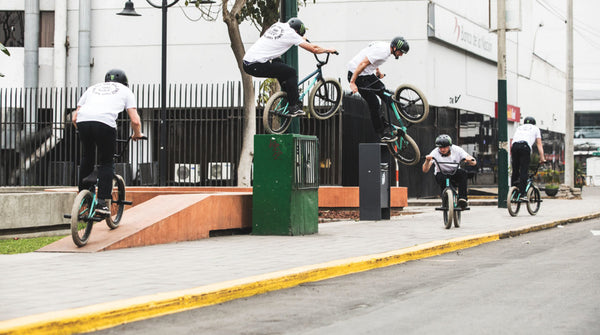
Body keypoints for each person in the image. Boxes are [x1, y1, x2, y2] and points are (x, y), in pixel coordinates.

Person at [72, 69, 144, 215]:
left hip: (83, 122)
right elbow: (135, 120)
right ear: (125, 82)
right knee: (106, 161)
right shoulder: (125, 90)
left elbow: (74, 117)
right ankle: (102, 203)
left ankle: (84, 193)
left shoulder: (93, 88)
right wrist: (137, 134)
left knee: (87, 156)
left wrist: (84, 130)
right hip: (104, 123)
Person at [243, 18, 337, 116]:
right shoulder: (292, 34)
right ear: (297, 31)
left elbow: (285, 36)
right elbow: (314, 49)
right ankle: (293, 107)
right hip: (256, 65)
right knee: (291, 72)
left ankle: (287, 90)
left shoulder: (278, 25)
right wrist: (328, 50)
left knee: (278, 62)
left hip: (247, 62)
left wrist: (300, 39)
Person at [347, 36, 410, 142]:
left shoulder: (385, 48)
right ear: (395, 48)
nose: (401, 55)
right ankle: (381, 132)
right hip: (357, 76)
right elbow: (363, 63)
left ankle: (403, 113)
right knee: (374, 103)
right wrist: (352, 82)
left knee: (384, 92)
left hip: (367, 74)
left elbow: (372, 58)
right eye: (401, 52)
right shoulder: (383, 52)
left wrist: (378, 71)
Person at [422, 134, 477, 209]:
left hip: (455, 172)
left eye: (444, 147)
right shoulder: (435, 152)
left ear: (450, 146)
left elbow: (473, 162)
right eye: (440, 147)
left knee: (463, 173)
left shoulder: (457, 150)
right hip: (442, 173)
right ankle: (446, 199)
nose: (442, 150)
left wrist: (469, 160)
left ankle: (462, 199)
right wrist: (427, 161)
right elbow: (425, 170)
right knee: (441, 178)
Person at [511, 116, 546, 200]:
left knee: (515, 169)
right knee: (524, 169)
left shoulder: (519, 128)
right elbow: (539, 144)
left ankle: (513, 191)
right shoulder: (535, 128)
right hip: (524, 147)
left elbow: (513, 140)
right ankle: (523, 194)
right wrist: (542, 158)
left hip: (514, 146)